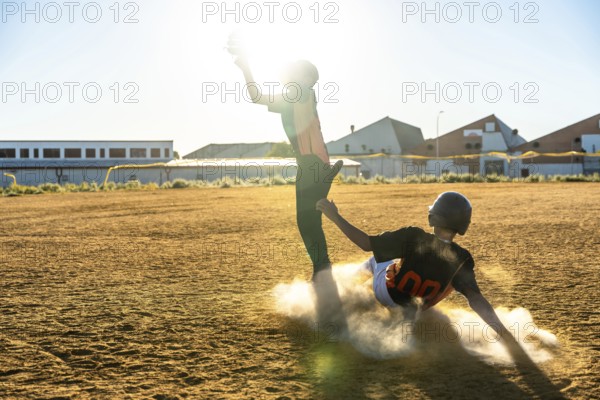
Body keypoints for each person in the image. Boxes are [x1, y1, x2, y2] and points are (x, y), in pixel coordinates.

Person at [316, 191, 518, 341]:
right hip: (417, 308)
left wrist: (335, 216)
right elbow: (476, 300)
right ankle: (410, 313)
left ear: (433, 217)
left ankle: (343, 294)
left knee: (376, 259)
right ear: (463, 225)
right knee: (458, 282)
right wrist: (502, 332)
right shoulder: (463, 258)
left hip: (388, 294)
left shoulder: (414, 236)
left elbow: (366, 243)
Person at [230, 42, 343, 279]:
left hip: (314, 165)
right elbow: (256, 96)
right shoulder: (293, 97)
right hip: (310, 165)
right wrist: (246, 67)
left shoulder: (303, 92)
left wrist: (255, 55)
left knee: (308, 222)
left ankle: (323, 271)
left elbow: (283, 82)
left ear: (307, 78)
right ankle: (322, 270)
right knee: (308, 222)